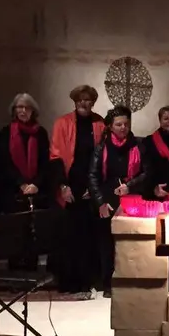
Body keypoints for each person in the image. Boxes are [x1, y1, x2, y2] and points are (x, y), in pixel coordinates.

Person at [89, 106, 149, 294]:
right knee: (106, 244)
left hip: (132, 197)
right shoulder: (102, 146)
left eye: (126, 124)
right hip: (107, 198)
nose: (123, 127)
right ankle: (108, 283)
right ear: (110, 126)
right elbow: (92, 176)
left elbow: (148, 173)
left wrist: (130, 186)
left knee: (129, 242)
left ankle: (130, 280)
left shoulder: (138, 145)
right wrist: (100, 202)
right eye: (118, 124)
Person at [49, 87, 102, 293]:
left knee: (88, 235)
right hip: (69, 184)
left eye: (88, 100)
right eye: (81, 99)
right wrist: (63, 186)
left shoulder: (99, 124)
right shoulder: (61, 123)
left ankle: (87, 280)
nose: (84, 103)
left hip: (90, 185)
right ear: (74, 101)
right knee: (69, 234)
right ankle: (69, 281)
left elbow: (101, 158)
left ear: (93, 102)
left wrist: (93, 187)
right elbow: (55, 156)